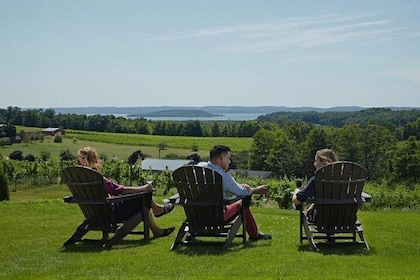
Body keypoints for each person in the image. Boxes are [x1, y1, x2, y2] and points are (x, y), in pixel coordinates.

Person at [76, 146, 175, 238]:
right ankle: (158, 210)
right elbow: (120, 190)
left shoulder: (78, 178)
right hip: (112, 214)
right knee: (144, 196)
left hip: (95, 215)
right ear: (93, 159)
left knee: (143, 202)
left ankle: (157, 229)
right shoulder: (96, 178)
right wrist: (143, 188)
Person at [197, 145, 272, 241]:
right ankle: (254, 234)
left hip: (197, 217)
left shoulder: (198, 167)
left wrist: (237, 184)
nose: (230, 161)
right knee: (242, 203)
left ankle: (254, 234)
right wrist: (256, 189)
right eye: (228, 158)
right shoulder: (222, 175)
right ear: (221, 158)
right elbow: (241, 192)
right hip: (217, 217)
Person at [292, 148, 338, 221]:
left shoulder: (317, 180)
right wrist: (314, 205)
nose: (314, 164)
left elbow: (297, 201)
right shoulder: (344, 179)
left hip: (322, 219)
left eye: (316, 161)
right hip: (346, 219)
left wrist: (296, 191)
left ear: (323, 163)